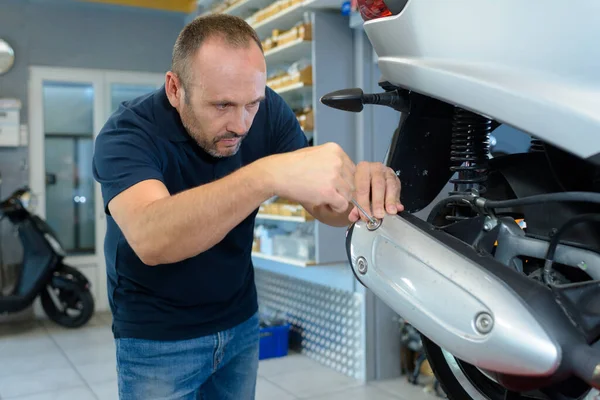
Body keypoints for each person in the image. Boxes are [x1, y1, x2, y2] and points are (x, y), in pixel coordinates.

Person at [92, 13, 403, 400]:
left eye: (250, 104)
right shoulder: (128, 134)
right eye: (221, 105)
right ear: (175, 88)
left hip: (239, 320)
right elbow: (152, 238)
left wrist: (362, 193)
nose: (240, 124)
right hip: (158, 336)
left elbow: (325, 207)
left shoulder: (268, 111)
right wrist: (265, 175)